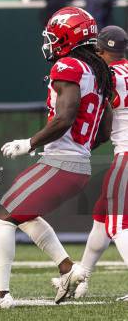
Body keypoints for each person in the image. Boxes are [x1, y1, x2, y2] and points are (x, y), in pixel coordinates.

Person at [0, 6, 114, 309]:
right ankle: (68, 269)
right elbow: (103, 130)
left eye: (54, 36)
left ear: (67, 37)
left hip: (61, 161)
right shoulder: (97, 71)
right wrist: (79, 148)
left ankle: (0, 295)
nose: (50, 42)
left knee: (4, 216)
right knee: (22, 213)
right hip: (74, 162)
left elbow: (65, 117)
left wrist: (29, 142)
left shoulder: (69, 66)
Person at [56, 25, 128, 301]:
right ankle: (80, 275)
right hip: (123, 155)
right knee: (102, 216)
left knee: (118, 224)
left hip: (126, 155)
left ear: (99, 50)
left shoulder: (104, 75)